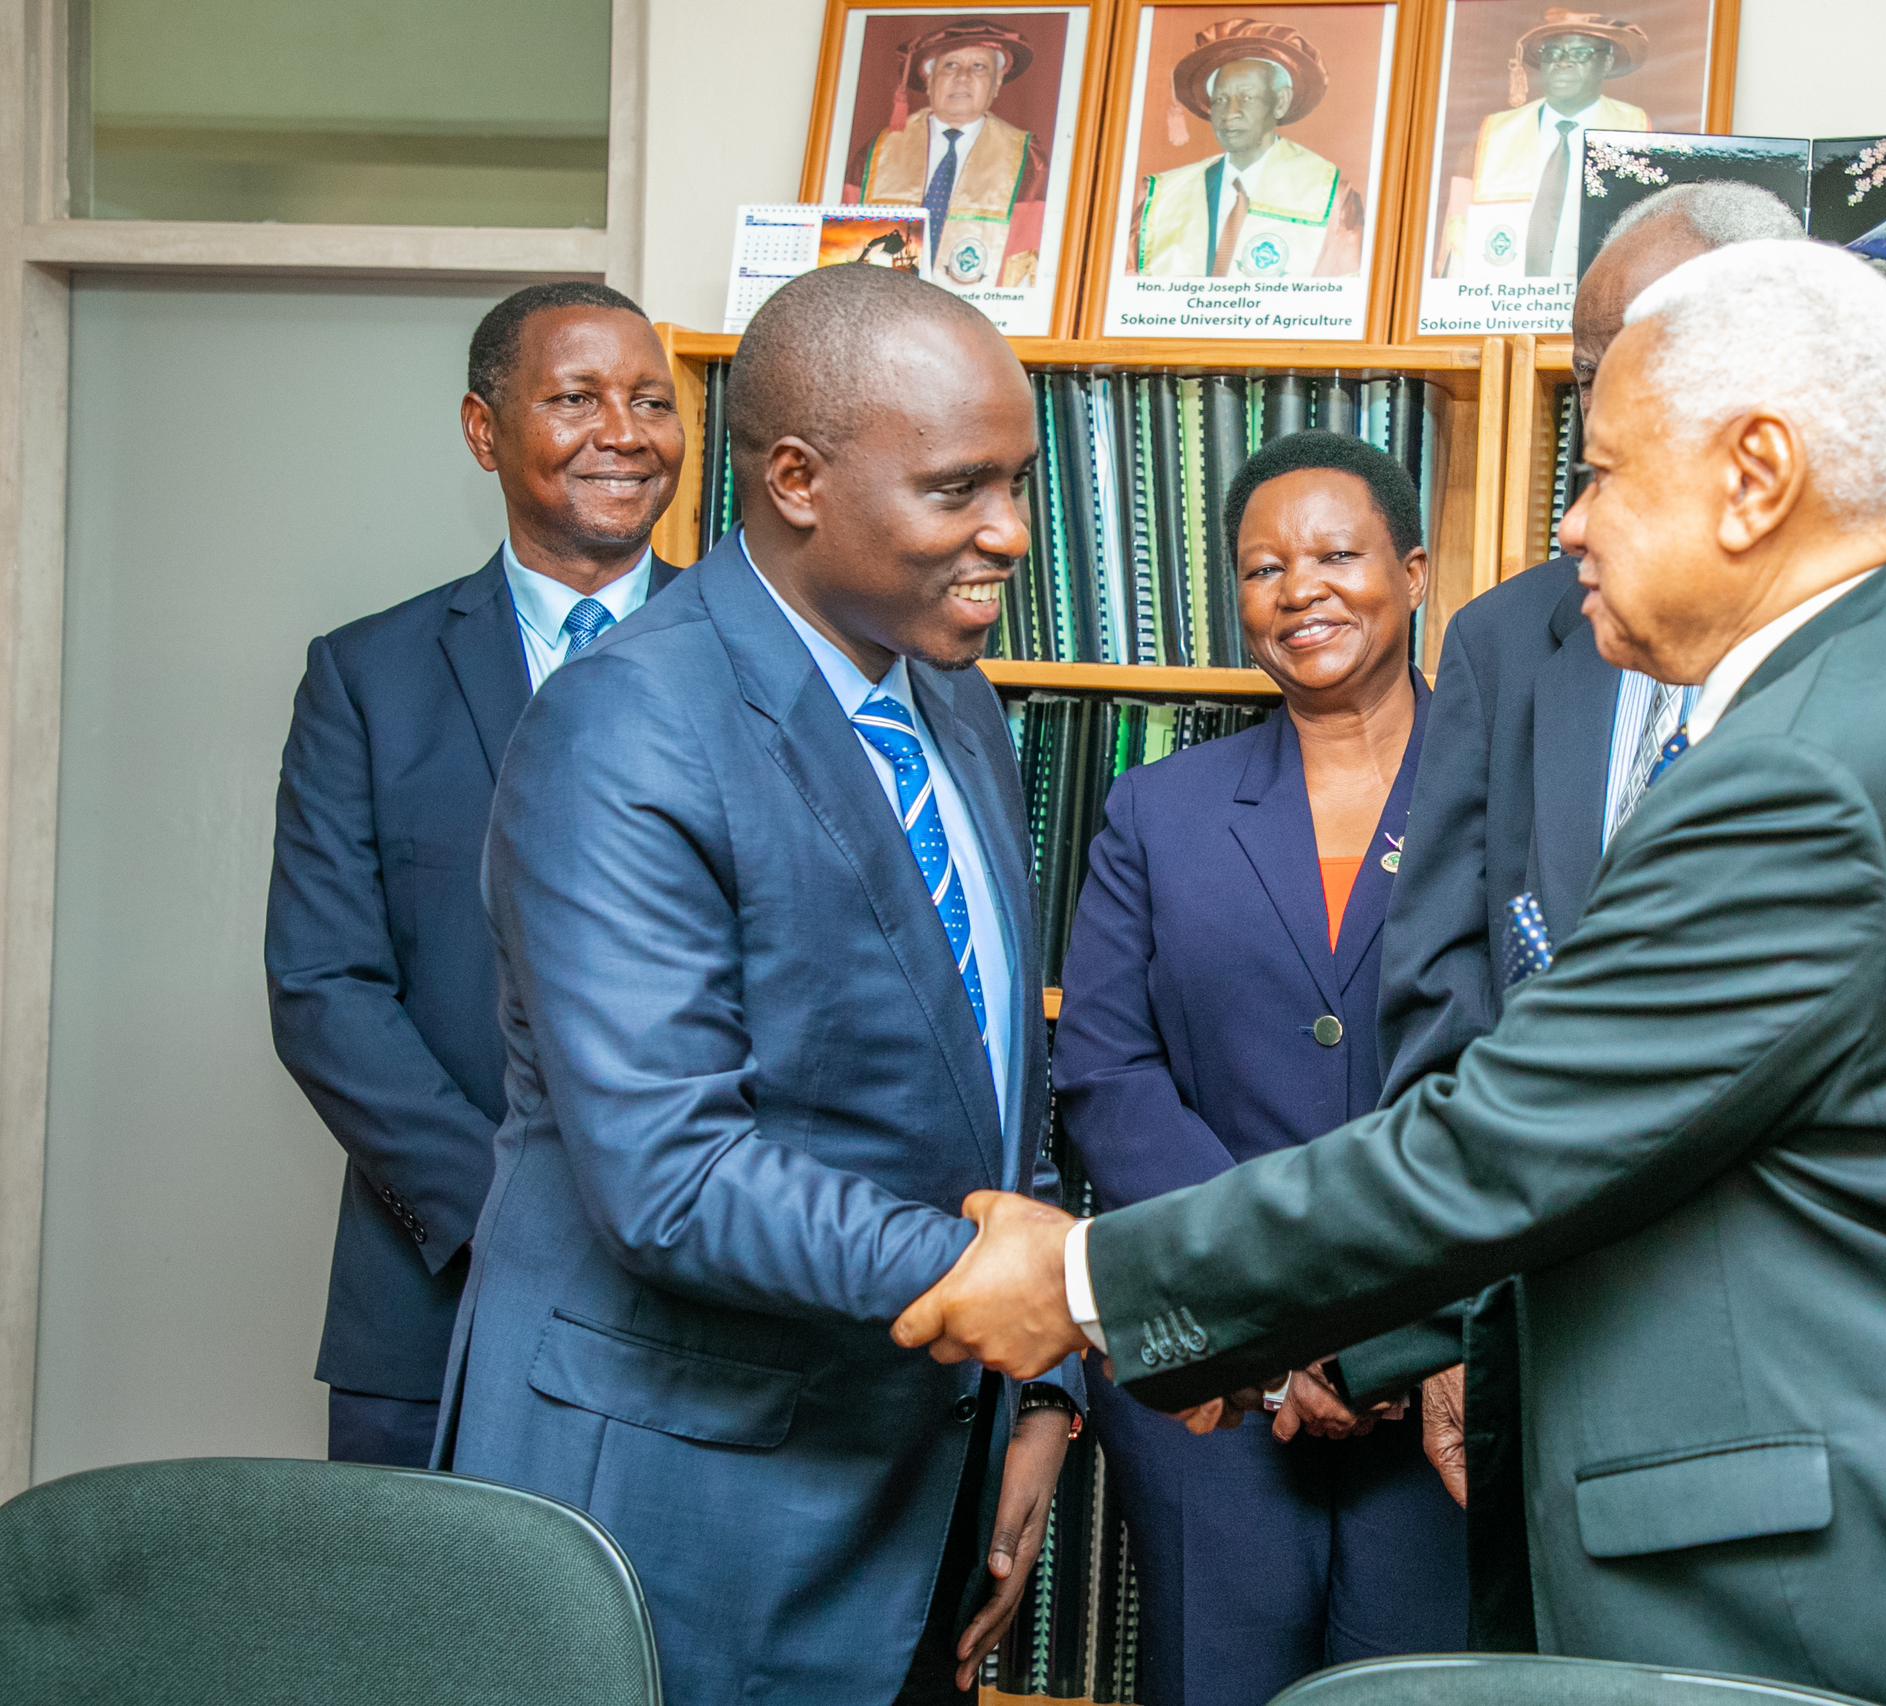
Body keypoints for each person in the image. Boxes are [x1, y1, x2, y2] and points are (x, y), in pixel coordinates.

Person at [892, 239, 1886, 1706]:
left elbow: (1510, 1141)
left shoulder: (1808, 773)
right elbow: (1683, 1159)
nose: (1574, 524)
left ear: (1757, 473)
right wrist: (1341, 1337)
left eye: (1604, 472)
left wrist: (1087, 1278)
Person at [1332, 182, 1886, 1650]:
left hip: (1806, 1426)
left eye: (1624, 386)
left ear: (1758, 423)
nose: (1573, 495)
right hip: (1539, 1342)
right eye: (1589, 371)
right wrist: (1453, 1324)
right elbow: (1443, 990)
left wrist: (1092, 1282)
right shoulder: (1505, 638)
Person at [438, 265, 1079, 1706]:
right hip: (686, 1493)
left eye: (1022, 481)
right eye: (960, 487)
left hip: (920, 1477)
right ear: (795, 477)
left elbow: (986, 1067)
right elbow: (671, 1170)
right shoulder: (625, 725)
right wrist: (1003, 1287)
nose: (1012, 533)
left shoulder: (954, 698)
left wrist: (1040, 1391)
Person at [1053, 431, 1465, 1705]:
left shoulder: (1508, 792)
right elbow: (1105, 1072)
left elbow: (1542, 1069)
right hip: (1218, 1383)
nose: (1303, 590)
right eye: (1264, 566)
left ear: (1411, 573)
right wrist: (1279, 1325)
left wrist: (1396, 1335)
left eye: (1338, 555)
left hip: (1442, 1377)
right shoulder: (1157, 810)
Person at [264, 281, 681, 1469]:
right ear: (484, 429)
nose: (624, 430)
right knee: (425, 1652)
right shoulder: (367, 677)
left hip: (709, 1310)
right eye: (576, 397)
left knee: (660, 1658)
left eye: (651, 399)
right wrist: (506, 1214)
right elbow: (323, 990)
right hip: (432, 1299)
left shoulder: (760, 660)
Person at [1129, 21, 1363, 279]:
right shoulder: (1164, 196)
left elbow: (1340, 298)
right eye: (1220, 100)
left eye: (1247, 97)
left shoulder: (1329, 196)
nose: (1230, 114)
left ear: (1280, 102)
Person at [1439, 11, 1650, 280]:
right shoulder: (1489, 138)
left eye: (1581, 53)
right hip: (1499, 303)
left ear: (1606, 62)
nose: (1563, 63)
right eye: (1553, 53)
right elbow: (1458, 239)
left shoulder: (1638, 135)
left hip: (1592, 303)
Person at [851, 19, 1048, 289]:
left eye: (979, 67)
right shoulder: (878, 152)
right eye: (950, 65)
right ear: (929, 79)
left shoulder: (1027, 158)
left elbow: (1027, 248)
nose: (963, 76)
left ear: (997, 81)